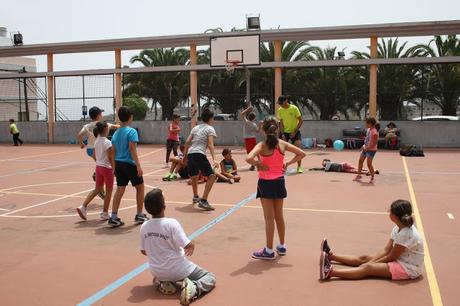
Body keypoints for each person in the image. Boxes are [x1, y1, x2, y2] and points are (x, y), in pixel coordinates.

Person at [140, 188, 216, 305]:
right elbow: (187, 245)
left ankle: (164, 283)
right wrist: (192, 244)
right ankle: (194, 288)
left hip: (157, 271)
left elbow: (143, 251)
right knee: (209, 277)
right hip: (178, 269)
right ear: (164, 206)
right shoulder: (171, 223)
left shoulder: (144, 226)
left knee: (156, 279)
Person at [246, 116, 306, 260]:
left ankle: (268, 250)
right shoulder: (282, 144)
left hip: (266, 183)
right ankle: (282, 245)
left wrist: (259, 164)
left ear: (264, 130)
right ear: (278, 129)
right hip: (279, 182)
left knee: (269, 218)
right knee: (279, 216)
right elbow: (302, 154)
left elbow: (248, 158)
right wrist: (287, 163)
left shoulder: (261, 145)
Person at [320, 199, 424, 281]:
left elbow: (391, 257)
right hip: (400, 260)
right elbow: (386, 250)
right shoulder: (398, 228)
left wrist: (372, 264)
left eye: (390, 210)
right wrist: (372, 260)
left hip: (407, 268)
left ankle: (330, 273)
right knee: (364, 258)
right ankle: (331, 256)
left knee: (368, 268)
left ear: (394, 216)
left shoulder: (406, 234)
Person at [109, 106, 148, 227]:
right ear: (130, 117)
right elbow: (132, 149)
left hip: (119, 164)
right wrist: (138, 165)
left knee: (120, 190)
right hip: (129, 164)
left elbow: (113, 152)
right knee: (140, 188)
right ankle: (139, 214)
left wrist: (114, 167)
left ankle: (113, 216)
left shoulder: (115, 133)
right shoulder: (132, 131)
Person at [77, 106, 119, 199]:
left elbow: (79, 134)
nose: (102, 115)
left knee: (101, 165)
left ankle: (98, 177)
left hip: (90, 150)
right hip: (99, 148)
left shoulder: (87, 126)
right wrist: (123, 126)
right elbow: (116, 127)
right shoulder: (102, 124)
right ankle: (98, 179)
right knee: (105, 165)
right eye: (101, 113)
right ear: (99, 115)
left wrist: (81, 144)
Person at [77, 122, 114, 221]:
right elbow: (110, 157)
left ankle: (83, 206)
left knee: (97, 189)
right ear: (105, 130)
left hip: (98, 167)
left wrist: (99, 160)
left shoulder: (96, 141)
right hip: (106, 168)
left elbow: (93, 154)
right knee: (109, 191)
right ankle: (105, 213)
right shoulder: (107, 142)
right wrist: (114, 168)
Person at [183, 109, 217, 211]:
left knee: (194, 176)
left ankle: (196, 197)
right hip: (199, 154)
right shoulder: (210, 128)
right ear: (210, 119)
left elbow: (187, 142)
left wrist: (185, 156)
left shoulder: (195, 128)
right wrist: (215, 159)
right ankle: (204, 201)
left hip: (190, 154)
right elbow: (210, 144)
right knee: (212, 176)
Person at [277, 95, 304, 173]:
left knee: (298, 150)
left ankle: (299, 167)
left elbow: (301, 121)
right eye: (279, 103)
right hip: (284, 132)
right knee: (280, 151)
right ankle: (280, 167)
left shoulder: (294, 108)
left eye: (281, 103)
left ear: (286, 101)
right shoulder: (280, 110)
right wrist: (282, 134)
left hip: (295, 131)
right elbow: (281, 123)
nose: (280, 105)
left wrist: (294, 131)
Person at [353, 117, 379, 183]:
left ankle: (372, 177)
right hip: (366, 148)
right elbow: (367, 139)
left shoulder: (374, 132)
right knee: (360, 161)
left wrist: (367, 148)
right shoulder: (368, 130)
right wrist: (364, 146)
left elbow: (374, 143)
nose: (365, 124)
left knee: (369, 164)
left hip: (371, 150)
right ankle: (359, 175)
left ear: (370, 123)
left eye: (366, 123)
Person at [240, 105, 261, 171]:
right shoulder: (254, 124)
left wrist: (248, 109)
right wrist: (260, 125)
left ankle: (254, 164)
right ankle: (259, 161)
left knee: (250, 153)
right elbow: (257, 131)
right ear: (254, 118)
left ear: (248, 117)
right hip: (253, 138)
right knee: (254, 151)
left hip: (248, 139)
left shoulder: (246, 122)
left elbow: (242, 114)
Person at [309, 159, 379, 176]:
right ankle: (370, 171)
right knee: (355, 171)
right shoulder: (327, 165)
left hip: (343, 166)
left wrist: (324, 166)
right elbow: (321, 169)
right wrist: (313, 169)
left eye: (323, 162)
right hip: (342, 169)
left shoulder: (328, 163)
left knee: (357, 169)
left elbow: (325, 170)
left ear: (326, 161)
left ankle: (372, 170)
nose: (322, 164)